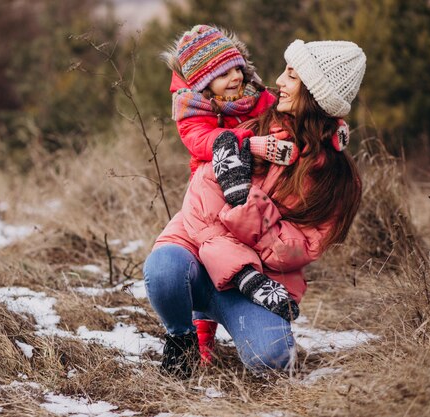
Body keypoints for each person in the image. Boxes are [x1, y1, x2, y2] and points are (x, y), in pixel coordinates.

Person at [144, 38, 366, 377]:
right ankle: (182, 338)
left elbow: (297, 248)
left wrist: (240, 199)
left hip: (258, 287)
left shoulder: (336, 179)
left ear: (314, 92)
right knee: (163, 268)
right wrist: (245, 258)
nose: (278, 80)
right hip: (200, 259)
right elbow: (201, 196)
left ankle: (237, 318)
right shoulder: (254, 130)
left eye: (291, 75)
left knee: (272, 361)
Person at [161, 24, 300, 178]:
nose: (236, 77)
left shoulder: (254, 93)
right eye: (224, 74)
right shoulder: (193, 112)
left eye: (238, 69)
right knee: (208, 175)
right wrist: (249, 143)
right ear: (204, 83)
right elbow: (202, 142)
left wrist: (278, 130)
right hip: (222, 177)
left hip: (263, 166)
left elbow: (277, 111)